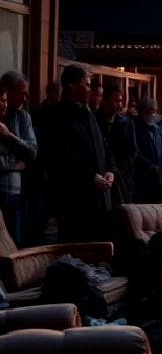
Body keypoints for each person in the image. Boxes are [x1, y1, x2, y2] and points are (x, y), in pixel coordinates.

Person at [49, 64, 114, 243]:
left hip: (100, 197)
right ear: (72, 86)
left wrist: (110, 170)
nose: (89, 89)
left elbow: (104, 146)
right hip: (75, 199)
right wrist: (90, 177)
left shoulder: (90, 114)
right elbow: (63, 156)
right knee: (76, 248)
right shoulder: (59, 116)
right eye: (86, 84)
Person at [0, 71, 37, 247]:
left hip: (16, 191)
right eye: (21, 92)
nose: (25, 97)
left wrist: (9, 136)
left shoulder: (23, 117)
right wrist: (14, 165)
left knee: (15, 242)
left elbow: (31, 152)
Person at [25, 80, 61, 245]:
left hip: (50, 170)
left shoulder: (48, 113)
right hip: (42, 170)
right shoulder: (42, 114)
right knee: (41, 214)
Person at [95, 84, 138, 206]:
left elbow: (133, 151)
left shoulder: (126, 123)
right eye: (116, 100)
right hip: (102, 178)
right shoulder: (95, 121)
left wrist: (119, 170)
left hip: (123, 178)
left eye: (121, 101)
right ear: (105, 101)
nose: (120, 104)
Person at [132, 96, 162, 203]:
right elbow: (134, 151)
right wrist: (149, 165)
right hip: (141, 178)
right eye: (153, 111)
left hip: (156, 177)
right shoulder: (134, 127)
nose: (155, 114)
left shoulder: (155, 129)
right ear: (144, 111)